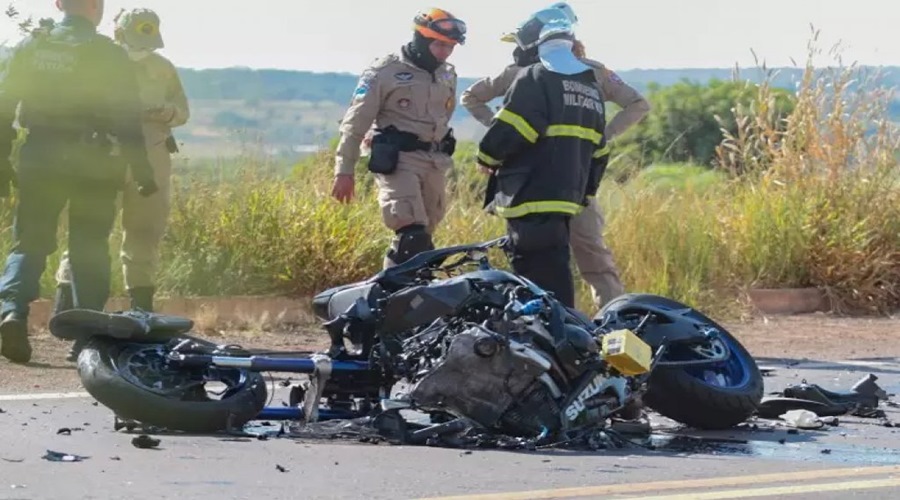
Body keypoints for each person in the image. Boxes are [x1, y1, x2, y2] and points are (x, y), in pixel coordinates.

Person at [461, 2, 650, 309]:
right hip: (562, 180)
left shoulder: (593, 72)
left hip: (556, 182)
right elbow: (473, 99)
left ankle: (609, 326)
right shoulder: (526, 73)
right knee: (554, 263)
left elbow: (638, 104)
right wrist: (499, 125)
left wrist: (597, 136)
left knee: (576, 259)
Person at [0, 0, 157, 364]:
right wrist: (142, 169)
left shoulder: (33, 47)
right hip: (94, 162)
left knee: (30, 242)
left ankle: (13, 313)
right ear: (96, 8)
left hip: (41, 155)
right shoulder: (109, 54)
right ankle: (87, 336)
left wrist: (2, 162)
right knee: (88, 244)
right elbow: (128, 117)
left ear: (59, 5)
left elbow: (3, 106)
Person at [53, 7, 190, 319]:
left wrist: (164, 111)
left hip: (152, 154)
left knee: (145, 229)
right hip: (105, 154)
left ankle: (141, 306)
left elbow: (183, 110)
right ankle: (69, 303)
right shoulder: (99, 59)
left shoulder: (162, 68)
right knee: (88, 230)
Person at [475, 8, 610, 309]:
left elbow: (512, 130)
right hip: (566, 202)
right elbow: (600, 152)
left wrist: (486, 155)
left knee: (536, 292)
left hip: (530, 197)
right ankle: (566, 345)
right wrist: (584, 191)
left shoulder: (534, 77)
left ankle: (551, 351)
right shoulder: (590, 86)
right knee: (556, 280)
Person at [331, 8, 465, 268]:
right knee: (410, 237)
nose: (445, 52)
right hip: (398, 161)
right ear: (421, 39)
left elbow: (442, 117)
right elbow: (355, 122)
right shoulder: (384, 72)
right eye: (439, 45)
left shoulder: (447, 73)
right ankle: (387, 301)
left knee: (423, 245)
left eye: (450, 47)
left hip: (434, 162)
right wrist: (344, 171)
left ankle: (415, 299)